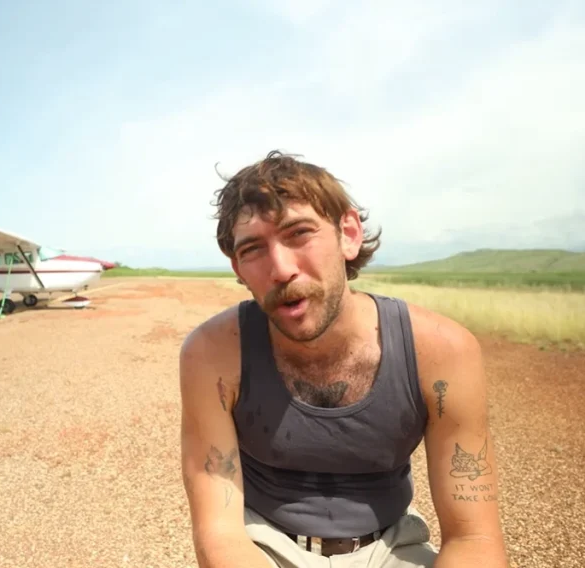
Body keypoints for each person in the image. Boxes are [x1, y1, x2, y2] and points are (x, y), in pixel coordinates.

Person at [179, 151, 508, 567]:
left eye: (299, 233)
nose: (280, 269)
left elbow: (474, 537)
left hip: (393, 546)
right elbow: (220, 533)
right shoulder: (213, 354)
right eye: (253, 249)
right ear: (238, 269)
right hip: (260, 544)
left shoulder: (441, 352)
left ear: (348, 234)